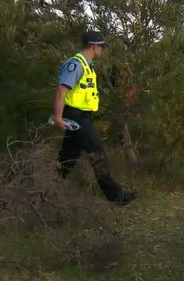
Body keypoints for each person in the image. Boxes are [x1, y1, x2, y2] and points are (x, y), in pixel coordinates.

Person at [53, 31, 137, 205]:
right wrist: (58, 118)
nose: (102, 49)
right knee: (97, 152)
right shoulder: (76, 64)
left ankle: (48, 188)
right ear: (93, 46)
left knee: (67, 157)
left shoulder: (87, 65)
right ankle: (116, 196)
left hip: (82, 116)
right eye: (101, 46)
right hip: (75, 117)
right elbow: (62, 91)